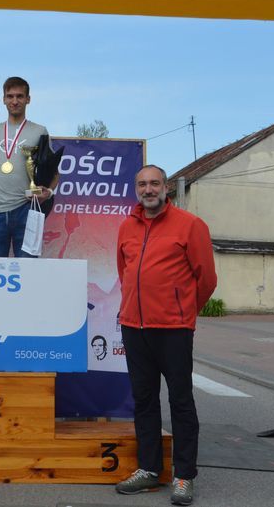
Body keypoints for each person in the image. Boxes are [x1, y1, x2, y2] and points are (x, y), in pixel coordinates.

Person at [114, 165, 217, 506]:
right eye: (142, 184)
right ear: (136, 189)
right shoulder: (127, 226)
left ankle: (184, 475)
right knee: (144, 400)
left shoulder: (190, 225)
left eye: (154, 183)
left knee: (180, 401)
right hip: (134, 327)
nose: (148, 189)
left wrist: (184, 312)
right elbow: (125, 272)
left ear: (166, 187)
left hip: (173, 329)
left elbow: (206, 279)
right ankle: (149, 469)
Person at [0, 77, 54, 257]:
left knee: (28, 269)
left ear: (28, 99)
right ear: (3, 99)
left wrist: (49, 192)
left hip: (27, 209)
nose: (15, 101)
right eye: (10, 96)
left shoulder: (40, 131)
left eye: (20, 96)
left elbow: (53, 170)